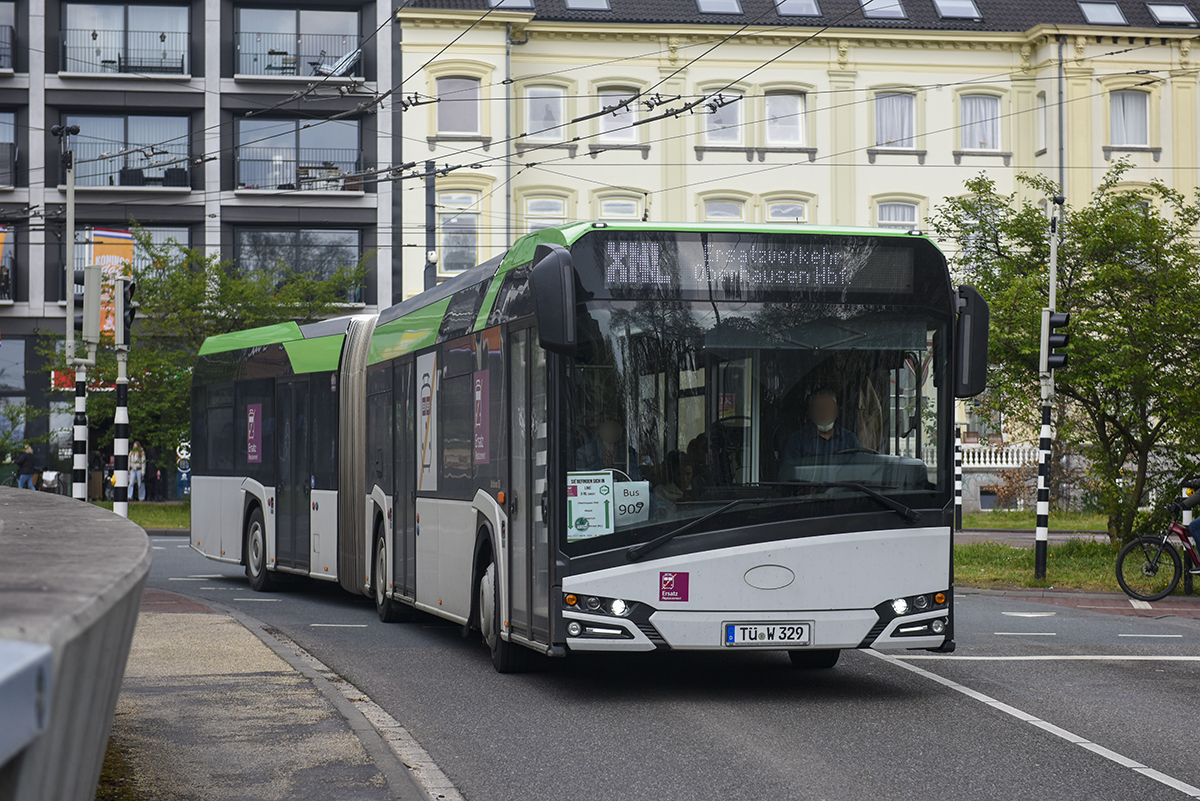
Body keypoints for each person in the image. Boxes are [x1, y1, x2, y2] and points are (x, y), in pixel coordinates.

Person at [782, 387, 862, 462]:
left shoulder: (850, 439)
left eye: (828, 407)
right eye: (819, 408)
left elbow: (859, 471)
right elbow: (790, 472)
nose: (824, 413)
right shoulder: (797, 441)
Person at [575, 419, 640, 480]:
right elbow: (582, 478)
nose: (611, 432)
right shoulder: (584, 451)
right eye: (607, 429)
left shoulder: (628, 451)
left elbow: (634, 476)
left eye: (614, 429)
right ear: (600, 430)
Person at [654, 451, 693, 516]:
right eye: (680, 474)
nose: (685, 479)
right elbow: (659, 516)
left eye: (688, 474)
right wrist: (676, 506)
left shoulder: (697, 489)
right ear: (671, 473)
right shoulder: (660, 491)